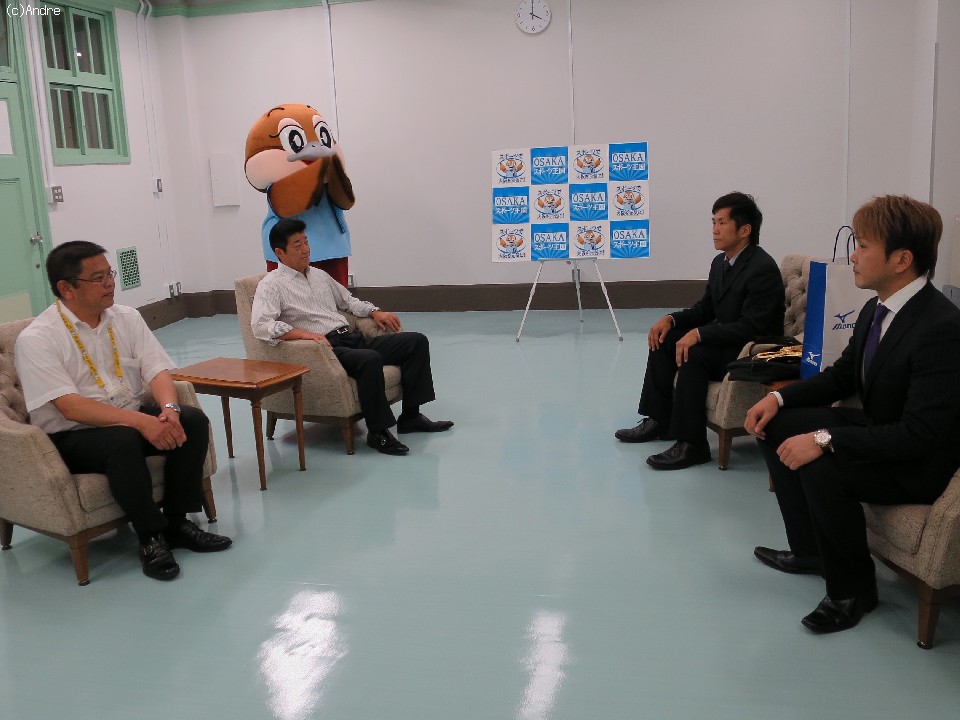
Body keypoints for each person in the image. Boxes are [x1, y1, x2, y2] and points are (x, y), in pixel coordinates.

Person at [745, 195, 960, 634]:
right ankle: (810, 550)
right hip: (881, 430)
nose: (852, 257)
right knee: (776, 425)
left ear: (901, 259)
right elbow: (843, 376)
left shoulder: (941, 327)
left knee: (822, 467)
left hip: (915, 462)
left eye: (862, 246)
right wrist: (780, 400)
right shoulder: (877, 306)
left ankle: (853, 591)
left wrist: (824, 439)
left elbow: (918, 435)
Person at [14, 241, 232, 581]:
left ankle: (176, 524)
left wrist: (169, 410)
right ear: (66, 288)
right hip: (74, 435)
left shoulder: (126, 317)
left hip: (128, 417)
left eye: (109, 274)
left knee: (192, 420)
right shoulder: (38, 339)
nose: (109, 283)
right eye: (97, 278)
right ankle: (150, 538)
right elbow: (70, 407)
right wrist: (142, 423)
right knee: (122, 441)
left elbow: (156, 369)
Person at [251, 218, 453, 456]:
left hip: (351, 338)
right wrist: (303, 334)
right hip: (325, 348)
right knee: (369, 359)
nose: (306, 249)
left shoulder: (319, 275)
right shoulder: (271, 285)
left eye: (306, 242)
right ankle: (377, 433)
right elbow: (261, 325)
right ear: (279, 252)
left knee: (416, 341)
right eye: (297, 245)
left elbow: (348, 302)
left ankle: (411, 417)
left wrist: (375, 312)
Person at [615, 192, 784, 470]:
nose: (714, 230)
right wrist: (671, 319)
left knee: (694, 354)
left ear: (744, 230)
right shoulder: (721, 262)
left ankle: (693, 445)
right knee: (665, 339)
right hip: (728, 340)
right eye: (713, 222)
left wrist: (700, 335)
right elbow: (706, 309)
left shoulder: (761, 268)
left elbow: (753, 326)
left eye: (722, 223)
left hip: (752, 349)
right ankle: (660, 420)